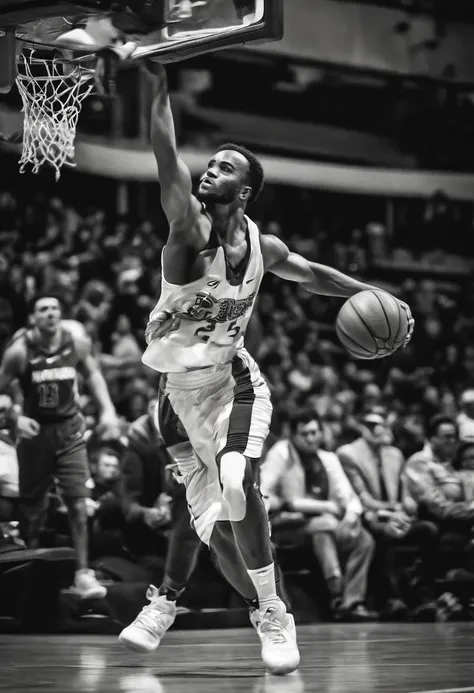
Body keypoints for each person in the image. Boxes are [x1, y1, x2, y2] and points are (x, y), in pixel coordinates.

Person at [125, 61, 413, 674]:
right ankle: (258, 606)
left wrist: (376, 295)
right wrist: (152, 77)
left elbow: (313, 277)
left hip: (235, 379)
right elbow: (164, 150)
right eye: (212, 163)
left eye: (225, 167)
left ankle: (274, 612)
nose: (210, 169)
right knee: (214, 530)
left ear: (246, 190)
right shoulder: (186, 232)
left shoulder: (263, 246)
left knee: (236, 481)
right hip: (175, 397)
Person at [0, 293, 121, 598]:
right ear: (33, 318)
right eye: (43, 309)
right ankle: (27, 566)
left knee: (79, 504)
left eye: (55, 308)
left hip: (70, 432)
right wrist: (16, 418)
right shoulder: (18, 352)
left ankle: (82, 572)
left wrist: (107, 409)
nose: (50, 313)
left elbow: (93, 374)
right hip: (35, 434)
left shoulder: (76, 343)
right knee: (32, 509)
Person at [260, 409, 377, 623]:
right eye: (305, 434)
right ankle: (337, 593)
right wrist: (322, 507)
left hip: (322, 525)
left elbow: (348, 497)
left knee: (364, 540)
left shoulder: (328, 458)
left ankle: (350, 601)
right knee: (324, 524)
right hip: (287, 524)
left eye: (315, 432)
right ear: (293, 435)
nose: (311, 438)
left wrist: (351, 516)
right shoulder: (281, 453)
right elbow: (264, 493)